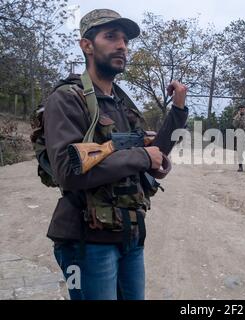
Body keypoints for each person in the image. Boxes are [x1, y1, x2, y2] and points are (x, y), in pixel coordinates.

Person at [43, 9, 188, 300]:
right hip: (86, 241)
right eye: (111, 37)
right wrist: (142, 158)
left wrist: (178, 112)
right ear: (86, 45)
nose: (122, 45)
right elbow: (68, 171)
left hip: (130, 234)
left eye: (125, 40)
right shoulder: (67, 98)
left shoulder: (122, 103)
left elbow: (153, 153)